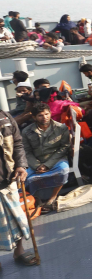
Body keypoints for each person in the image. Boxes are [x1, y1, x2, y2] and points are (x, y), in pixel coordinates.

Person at [0, 109, 38, 267]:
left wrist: (21, 165)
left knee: (17, 217)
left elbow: (17, 143)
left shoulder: (5, 117)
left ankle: (19, 251)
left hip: (8, 179)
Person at [21, 103, 71, 212]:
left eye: (46, 114)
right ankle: (35, 200)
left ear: (50, 113)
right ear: (34, 117)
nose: (45, 117)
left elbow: (64, 147)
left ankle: (52, 198)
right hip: (35, 161)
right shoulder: (26, 131)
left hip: (56, 159)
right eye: (40, 115)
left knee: (63, 171)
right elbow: (27, 152)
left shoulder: (61, 128)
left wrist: (47, 165)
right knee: (23, 179)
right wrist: (37, 165)